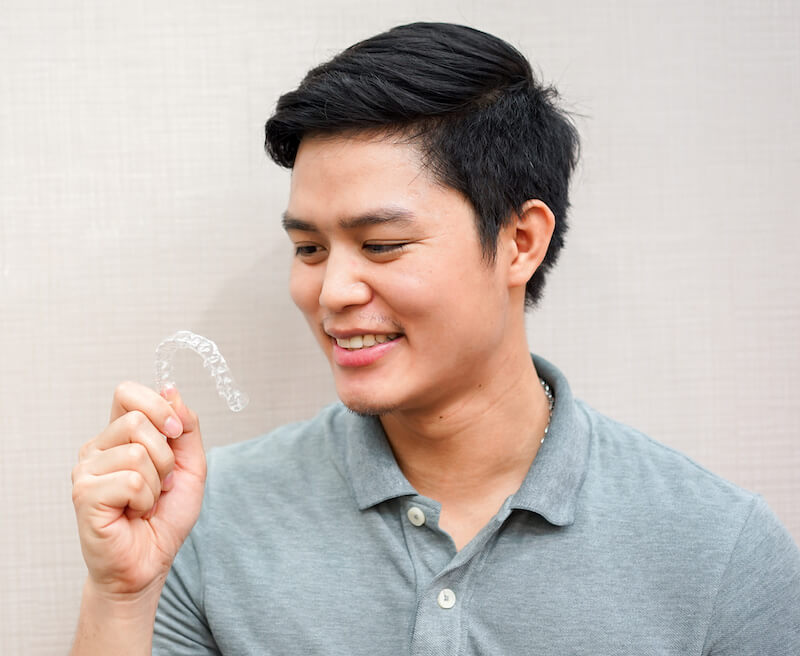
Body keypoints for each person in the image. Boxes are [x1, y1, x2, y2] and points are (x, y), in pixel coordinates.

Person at [70, 22, 800, 655]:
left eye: (381, 245)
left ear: (519, 241)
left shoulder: (718, 548)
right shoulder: (208, 515)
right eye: (310, 249)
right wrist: (121, 594)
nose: (331, 294)